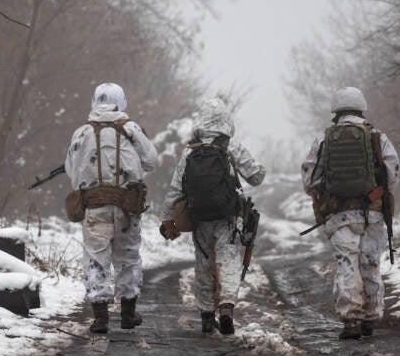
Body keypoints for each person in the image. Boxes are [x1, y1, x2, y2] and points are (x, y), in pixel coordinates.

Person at [159, 98, 266, 335]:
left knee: (204, 264)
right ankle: (226, 307)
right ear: (226, 120)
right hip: (228, 216)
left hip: (199, 217)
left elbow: (175, 190)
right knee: (228, 259)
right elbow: (257, 177)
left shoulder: (190, 152)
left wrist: (167, 219)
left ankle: (207, 316)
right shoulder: (231, 147)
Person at [301, 87, 400, 340]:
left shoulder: (324, 139)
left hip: (339, 215)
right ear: (362, 107)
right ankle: (371, 317)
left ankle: (351, 321)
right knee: (370, 263)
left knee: (347, 264)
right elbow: (393, 172)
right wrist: (379, 195)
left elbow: (309, 179)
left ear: (336, 110)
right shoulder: (377, 136)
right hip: (374, 213)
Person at [65, 83, 158, 334]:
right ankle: (128, 315)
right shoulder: (131, 129)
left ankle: (101, 318)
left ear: (94, 101)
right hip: (127, 207)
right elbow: (151, 161)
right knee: (128, 259)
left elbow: (70, 170)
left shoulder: (82, 133)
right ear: (122, 101)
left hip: (95, 208)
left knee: (96, 260)